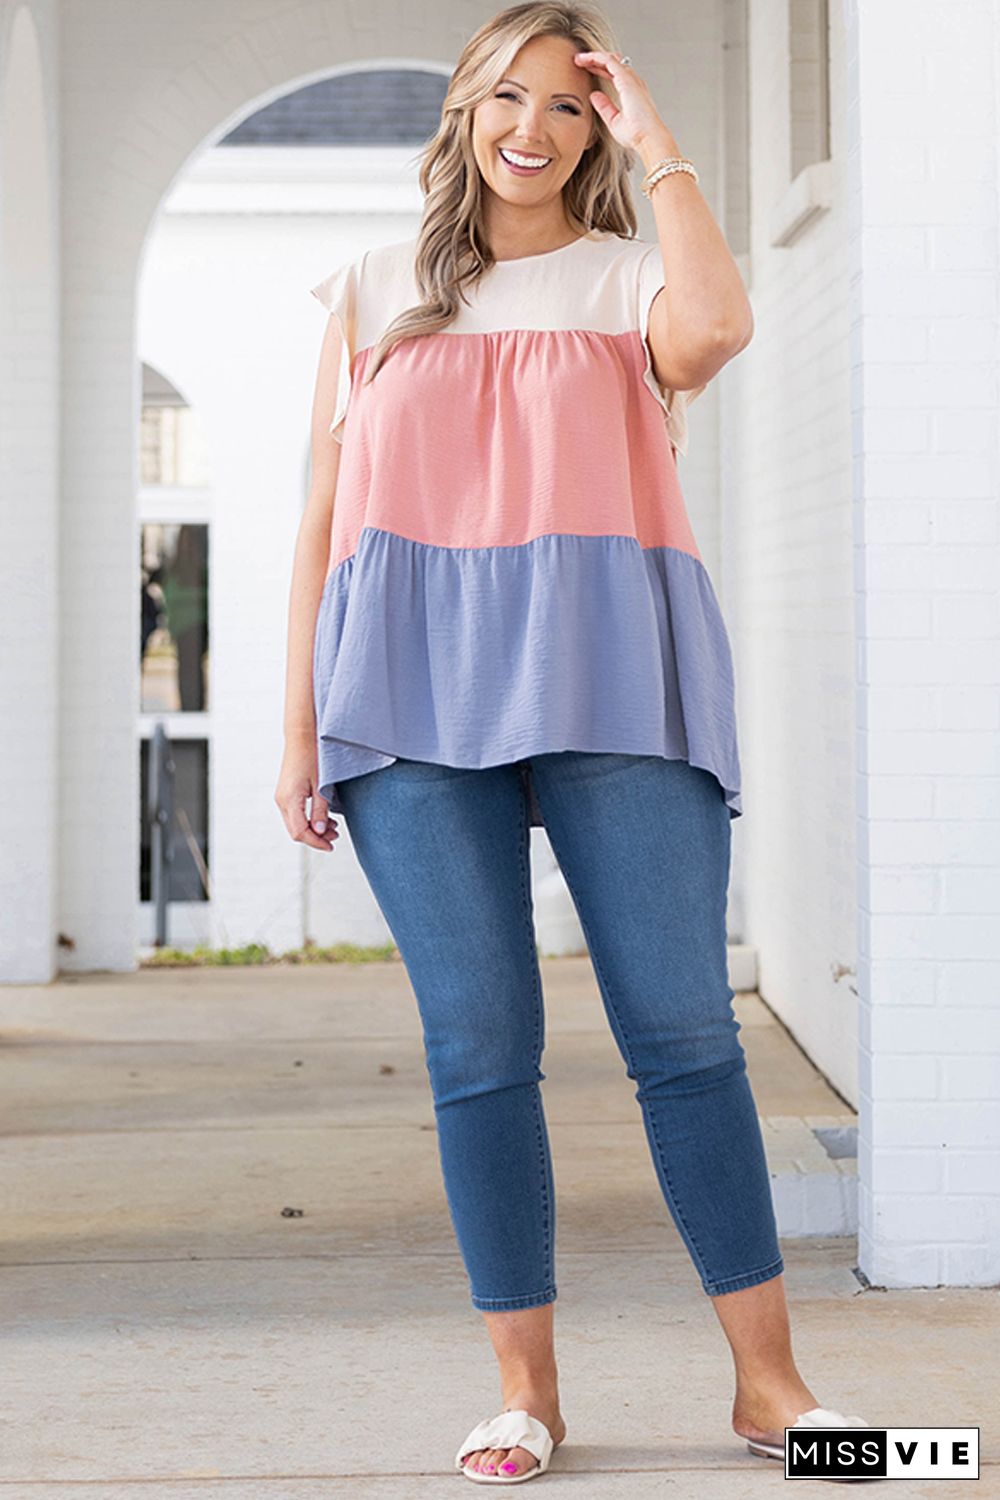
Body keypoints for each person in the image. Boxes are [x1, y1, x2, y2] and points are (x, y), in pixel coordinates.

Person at [276, 1, 868, 1483]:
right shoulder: (371, 285)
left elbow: (720, 329)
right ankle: (527, 1394)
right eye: (507, 99)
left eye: (569, 106)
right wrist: (298, 728)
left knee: (682, 1037)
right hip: (408, 696)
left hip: (616, 676)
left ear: (598, 127)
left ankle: (775, 1392)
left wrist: (662, 141)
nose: (532, 130)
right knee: (481, 1048)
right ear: (464, 110)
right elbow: (321, 525)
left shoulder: (627, 282)